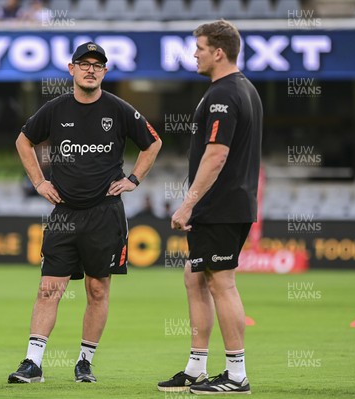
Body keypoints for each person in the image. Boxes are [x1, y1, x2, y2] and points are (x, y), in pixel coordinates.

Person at [8, 42, 162, 384]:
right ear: (71, 68)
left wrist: (133, 179)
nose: (90, 69)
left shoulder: (120, 109)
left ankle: (84, 362)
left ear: (105, 72)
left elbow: (153, 142)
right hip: (63, 214)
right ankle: (32, 363)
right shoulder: (55, 109)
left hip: (104, 214)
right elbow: (23, 140)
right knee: (49, 288)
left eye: (97, 65)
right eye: (84, 63)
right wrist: (39, 182)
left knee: (97, 290)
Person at [157, 20, 262, 395]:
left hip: (221, 205)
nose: (194, 54)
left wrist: (187, 204)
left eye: (199, 48)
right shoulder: (244, 88)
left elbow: (216, 155)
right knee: (194, 275)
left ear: (218, 52)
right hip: (229, 203)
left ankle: (236, 376)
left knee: (222, 282)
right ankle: (196, 367)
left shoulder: (223, 95)